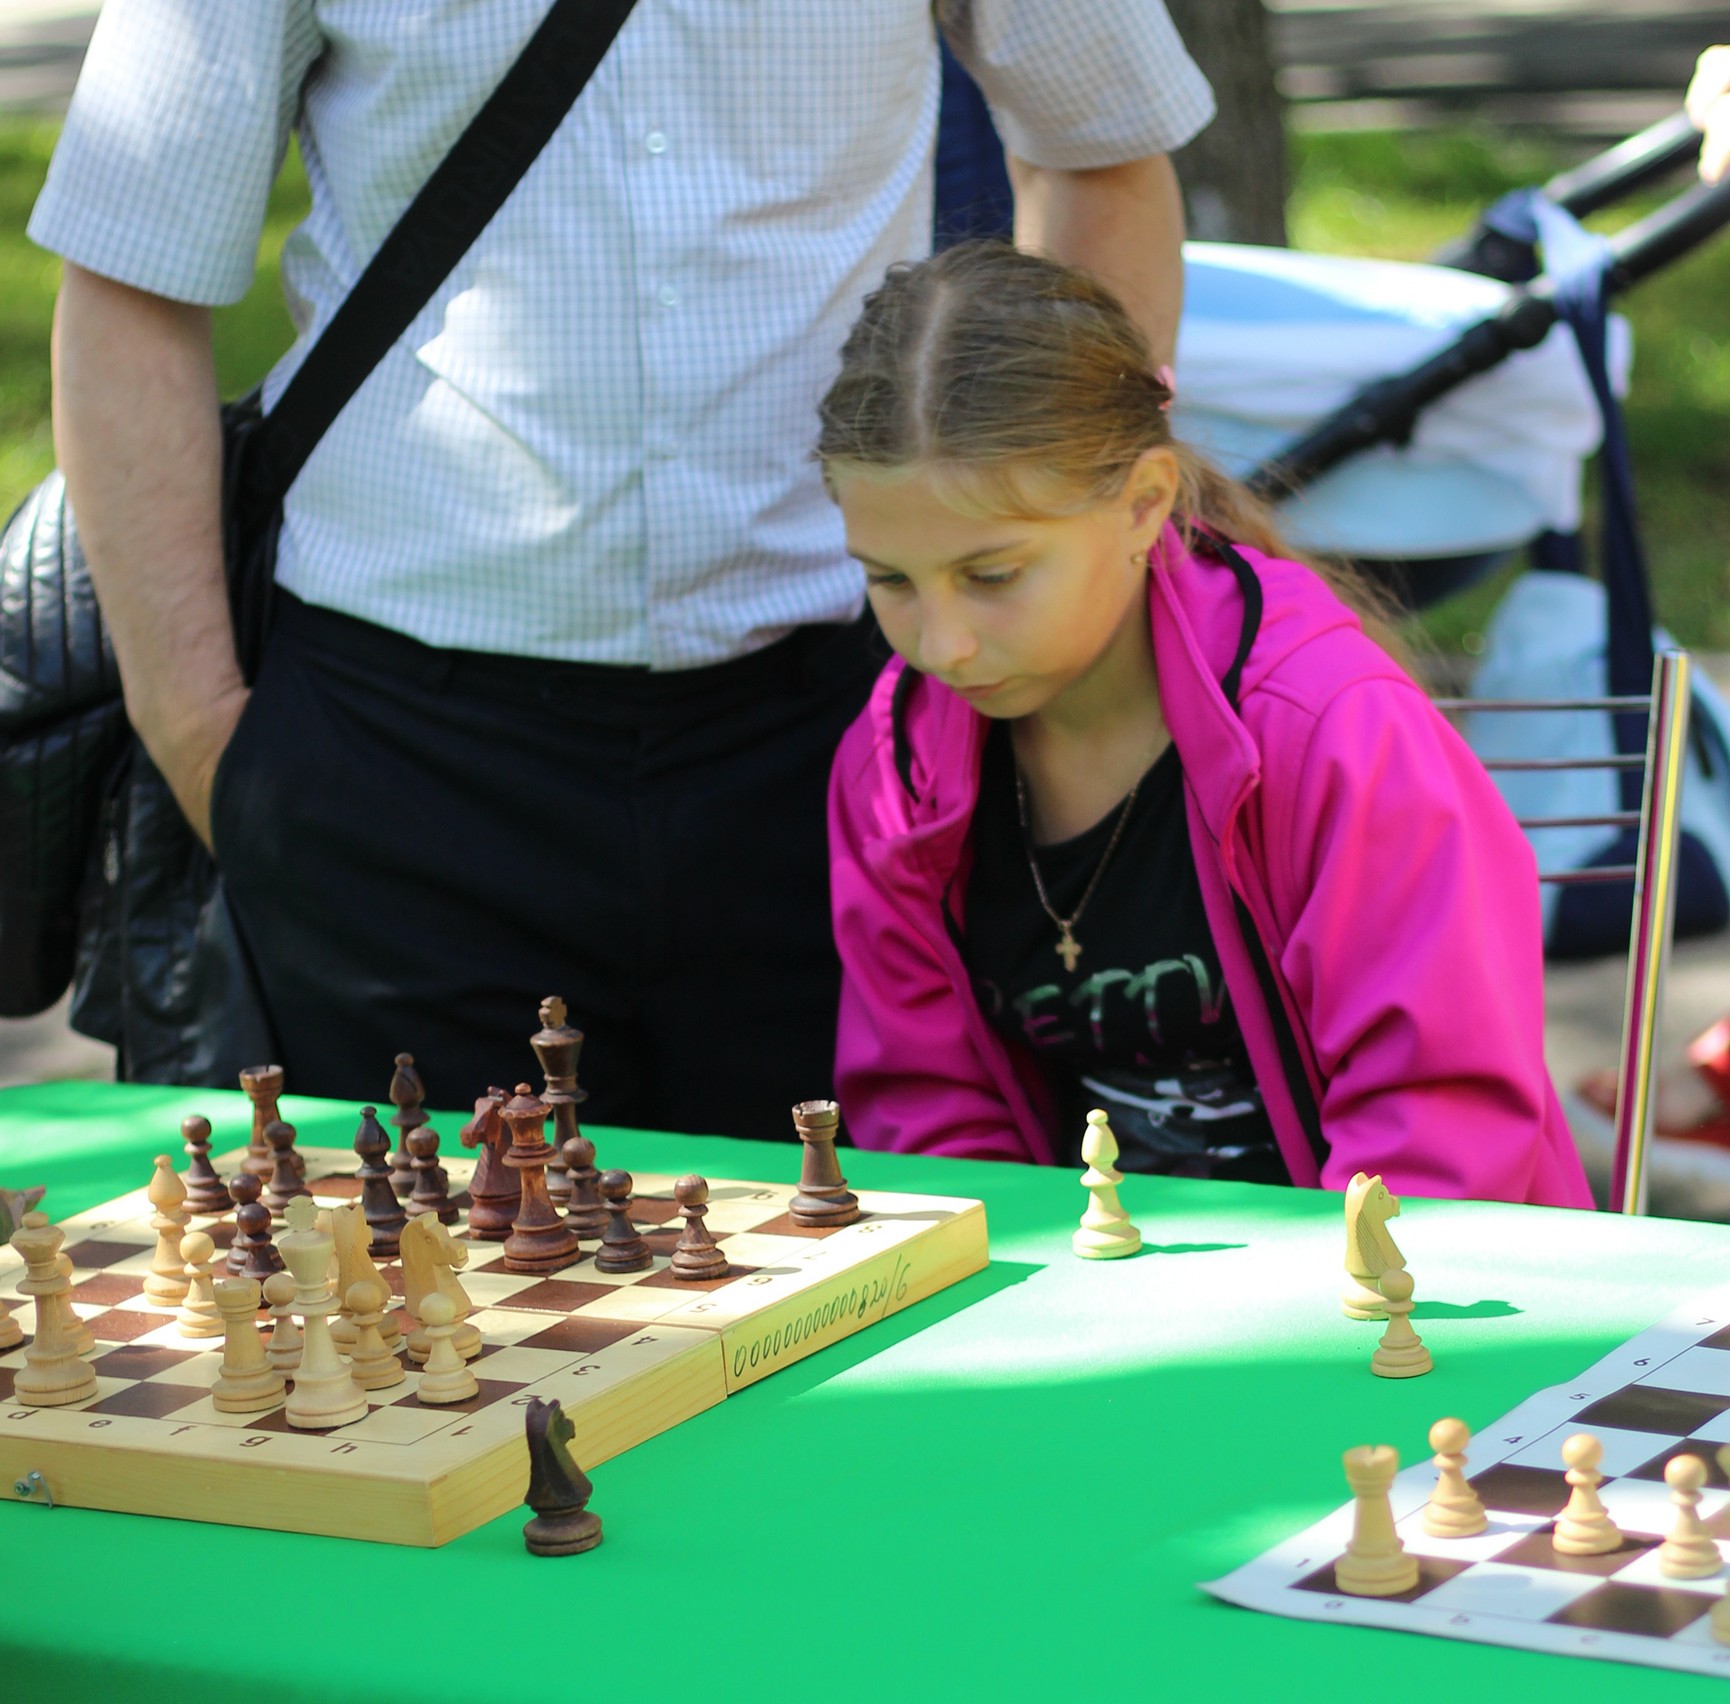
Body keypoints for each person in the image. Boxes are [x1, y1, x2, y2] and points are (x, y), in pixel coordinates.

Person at [28, 3, 1214, 1133]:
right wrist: (200, 733)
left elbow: (1100, 151)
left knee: (867, 1308)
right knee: (426, 1322)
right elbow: (133, 265)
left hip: (850, 735)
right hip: (398, 765)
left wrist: (1044, 597)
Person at [819, 242, 1593, 1207]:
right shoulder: (894, 762)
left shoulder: (1330, 729)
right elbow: (929, 1120)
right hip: (1080, 1304)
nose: (945, 645)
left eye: (993, 575)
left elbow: (1437, 1125)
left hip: (1385, 1302)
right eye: (890, 579)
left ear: (1142, 504)